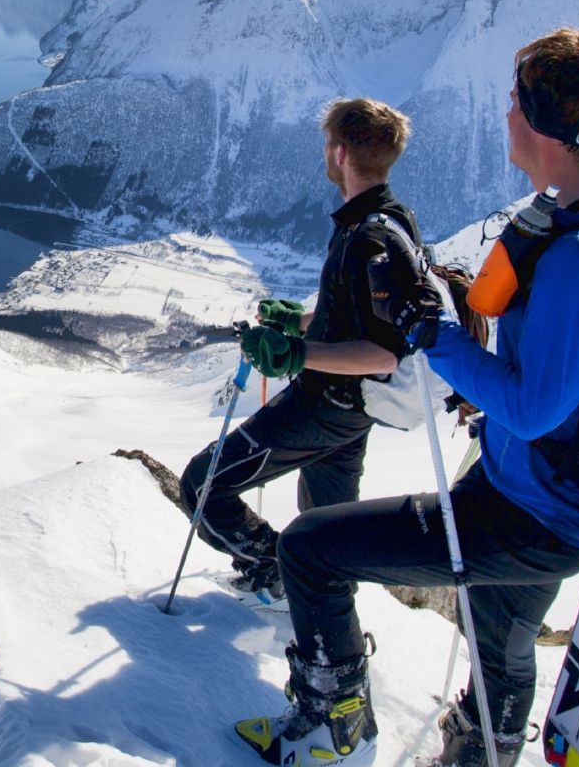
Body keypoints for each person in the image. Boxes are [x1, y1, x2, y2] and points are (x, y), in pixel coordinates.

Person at [233, 28, 579, 767]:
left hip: (532, 512)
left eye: (514, 102)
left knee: (310, 548)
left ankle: (332, 729)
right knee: (498, 631)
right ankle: (479, 754)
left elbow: (530, 408)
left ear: (544, 122)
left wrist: (433, 333)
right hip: (541, 490)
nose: (503, 116)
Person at [179, 97, 430, 608]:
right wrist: (295, 321)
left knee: (202, 486)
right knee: (326, 528)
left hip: (328, 405)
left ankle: (274, 565)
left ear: (338, 153)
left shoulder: (370, 236)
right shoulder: (386, 220)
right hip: (352, 411)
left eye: (325, 145)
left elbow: (383, 352)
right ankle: (317, 609)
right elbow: (354, 312)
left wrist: (294, 353)